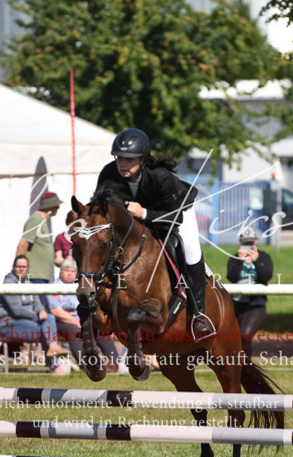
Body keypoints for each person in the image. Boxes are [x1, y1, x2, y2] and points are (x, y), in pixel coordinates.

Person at [92, 128, 215, 340]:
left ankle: (199, 316)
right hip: (135, 218)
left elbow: (175, 217)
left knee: (190, 250)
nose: (123, 164)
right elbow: (100, 208)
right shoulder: (109, 174)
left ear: (143, 159)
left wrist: (145, 213)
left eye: (130, 159)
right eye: (119, 158)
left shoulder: (160, 176)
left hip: (176, 212)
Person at [48, 257, 126, 373]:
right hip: (61, 322)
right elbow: (56, 311)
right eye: (66, 270)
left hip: (81, 318)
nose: (69, 273)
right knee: (74, 330)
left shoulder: (81, 286)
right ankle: (88, 366)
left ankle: (115, 363)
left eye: (72, 271)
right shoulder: (52, 286)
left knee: (100, 327)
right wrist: (77, 322)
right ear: (60, 272)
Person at [0, 255, 66, 365]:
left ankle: (53, 350)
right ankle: (54, 364)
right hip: (8, 324)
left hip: (25, 321)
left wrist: (41, 310)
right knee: (45, 331)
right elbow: (17, 310)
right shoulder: (8, 284)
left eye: (24, 267)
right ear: (13, 267)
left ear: (28, 268)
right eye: (19, 266)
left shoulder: (29, 284)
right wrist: (35, 314)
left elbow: (37, 303)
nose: (21, 269)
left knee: (49, 318)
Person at [226, 231, 274, 358]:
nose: (248, 246)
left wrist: (256, 260)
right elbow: (231, 277)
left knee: (244, 335)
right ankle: (236, 365)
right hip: (237, 305)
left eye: (250, 242)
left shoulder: (264, 257)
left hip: (256, 305)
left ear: (256, 241)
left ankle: (246, 365)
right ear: (240, 243)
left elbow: (266, 277)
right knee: (233, 339)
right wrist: (240, 261)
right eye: (245, 243)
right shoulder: (234, 258)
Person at [16, 191, 61, 282]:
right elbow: (22, 245)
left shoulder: (40, 220)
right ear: (50, 206)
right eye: (56, 205)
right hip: (34, 275)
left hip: (39, 275)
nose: (58, 208)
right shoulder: (36, 219)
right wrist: (20, 273)